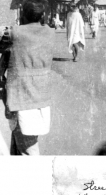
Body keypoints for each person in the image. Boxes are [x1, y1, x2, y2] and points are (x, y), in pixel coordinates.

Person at [5, 0, 55, 155]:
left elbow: (5, 45)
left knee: (28, 148)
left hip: (21, 97)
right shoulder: (49, 32)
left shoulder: (14, 33)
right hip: (40, 96)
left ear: (23, 15)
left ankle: (35, 177)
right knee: (23, 138)